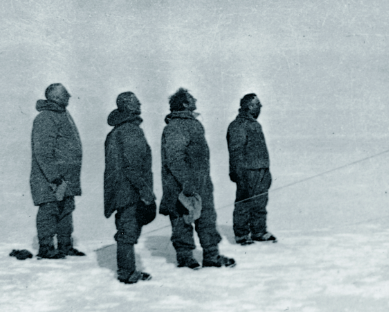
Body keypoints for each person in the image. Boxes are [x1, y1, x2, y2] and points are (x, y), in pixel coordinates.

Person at [160, 88, 235, 269]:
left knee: (207, 218)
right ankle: (185, 259)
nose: (196, 99)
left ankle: (212, 256)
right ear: (184, 103)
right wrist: (186, 182)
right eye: (191, 98)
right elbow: (175, 157)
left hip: (200, 184)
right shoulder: (175, 126)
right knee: (182, 221)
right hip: (180, 186)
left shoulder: (193, 124)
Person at [104, 92, 155, 284]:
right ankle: (127, 273)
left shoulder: (117, 131)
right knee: (128, 232)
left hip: (121, 191)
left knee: (126, 230)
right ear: (127, 106)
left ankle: (128, 270)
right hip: (130, 192)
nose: (140, 103)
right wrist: (146, 192)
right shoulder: (130, 131)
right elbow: (133, 167)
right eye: (135, 101)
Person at [30, 83, 85, 259]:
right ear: (55, 97)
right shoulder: (45, 118)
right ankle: (46, 248)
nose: (69, 95)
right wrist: (55, 178)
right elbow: (43, 152)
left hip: (65, 178)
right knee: (49, 210)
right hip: (49, 180)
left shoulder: (62, 114)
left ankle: (65, 246)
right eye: (65, 93)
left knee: (66, 210)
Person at [227, 93, 276, 245]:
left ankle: (259, 231)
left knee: (260, 202)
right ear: (249, 106)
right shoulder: (238, 125)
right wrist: (238, 172)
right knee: (244, 202)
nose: (260, 108)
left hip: (261, 170)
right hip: (247, 171)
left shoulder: (255, 124)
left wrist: (265, 170)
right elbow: (236, 151)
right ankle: (241, 234)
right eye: (257, 105)